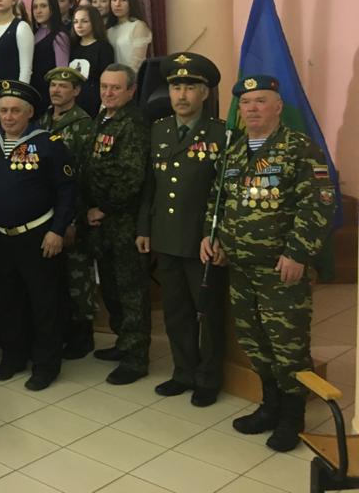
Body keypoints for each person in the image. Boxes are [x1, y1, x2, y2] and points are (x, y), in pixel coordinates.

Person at [202, 75, 336, 452]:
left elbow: (319, 204)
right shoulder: (234, 151)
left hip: (281, 268)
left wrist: (298, 253)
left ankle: (293, 417)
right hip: (240, 267)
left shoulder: (299, 148)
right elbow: (217, 200)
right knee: (255, 342)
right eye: (246, 103)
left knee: (288, 345)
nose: (252, 109)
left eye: (261, 101)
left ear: (278, 107)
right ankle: (270, 406)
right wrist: (212, 236)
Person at [137, 52, 226, 408]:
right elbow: (151, 186)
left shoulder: (220, 133)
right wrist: (144, 227)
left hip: (201, 241)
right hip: (166, 235)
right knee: (175, 311)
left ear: (204, 93)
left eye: (190, 87)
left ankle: (208, 377)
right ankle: (183, 371)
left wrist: (215, 235)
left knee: (207, 313)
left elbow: (223, 192)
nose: (182, 95)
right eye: (176, 87)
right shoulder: (159, 130)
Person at [0, 80, 75, 390]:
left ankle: (46, 365)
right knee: (8, 301)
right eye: (3, 111)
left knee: (43, 303)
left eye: (15, 111)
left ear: (29, 112)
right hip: (0, 237)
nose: (8, 117)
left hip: (37, 236)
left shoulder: (49, 143)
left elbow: (67, 191)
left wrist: (57, 231)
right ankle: (13, 357)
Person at [83, 64, 151, 385]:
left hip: (123, 223)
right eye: (104, 87)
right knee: (111, 288)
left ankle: (136, 358)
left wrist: (102, 209)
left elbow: (131, 177)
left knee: (131, 291)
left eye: (116, 88)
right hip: (102, 225)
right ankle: (123, 341)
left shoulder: (133, 124)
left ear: (131, 91)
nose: (108, 93)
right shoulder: (103, 119)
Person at [37, 67, 96, 359]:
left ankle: (82, 334)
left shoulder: (84, 125)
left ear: (76, 91)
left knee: (77, 275)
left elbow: (84, 177)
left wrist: (72, 220)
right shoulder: (42, 120)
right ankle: (59, 330)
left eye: (63, 86)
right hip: (45, 213)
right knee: (54, 277)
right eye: (53, 85)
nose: (56, 90)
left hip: (72, 215)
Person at [69, 4, 114, 117]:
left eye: (84, 21)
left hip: (94, 102)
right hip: (72, 102)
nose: (79, 25)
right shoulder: (73, 47)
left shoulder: (103, 47)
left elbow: (107, 78)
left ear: (94, 22)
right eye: (75, 22)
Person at [29, 0, 70, 104]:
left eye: (43, 6)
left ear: (52, 9)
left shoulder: (59, 35)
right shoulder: (33, 32)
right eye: (35, 7)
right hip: (33, 90)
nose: (38, 11)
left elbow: (62, 71)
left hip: (49, 93)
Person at [107, 0, 152, 74]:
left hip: (131, 78)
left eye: (123, 0)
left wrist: (124, 78)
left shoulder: (138, 26)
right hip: (111, 77)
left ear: (131, 2)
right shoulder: (109, 30)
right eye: (114, 0)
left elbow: (137, 63)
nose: (117, 4)